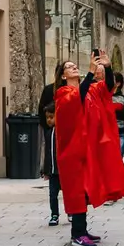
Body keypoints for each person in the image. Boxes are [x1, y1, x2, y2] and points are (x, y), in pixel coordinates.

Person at [53, 50, 124, 246]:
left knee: (86, 190)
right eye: (69, 67)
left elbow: (108, 86)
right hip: (72, 152)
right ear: (63, 76)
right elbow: (75, 101)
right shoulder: (63, 94)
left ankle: (82, 230)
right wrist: (89, 73)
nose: (74, 68)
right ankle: (77, 235)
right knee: (77, 192)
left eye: (74, 65)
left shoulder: (90, 90)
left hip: (88, 151)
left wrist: (107, 66)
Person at [38, 63, 70, 226]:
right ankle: (55, 214)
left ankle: (71, 212)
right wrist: (45, 169)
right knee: (53, 193)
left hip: (65, 165)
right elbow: (41, 112)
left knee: (68, 191)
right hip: (52, 168)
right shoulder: (50, 90)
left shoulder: (76, 90)